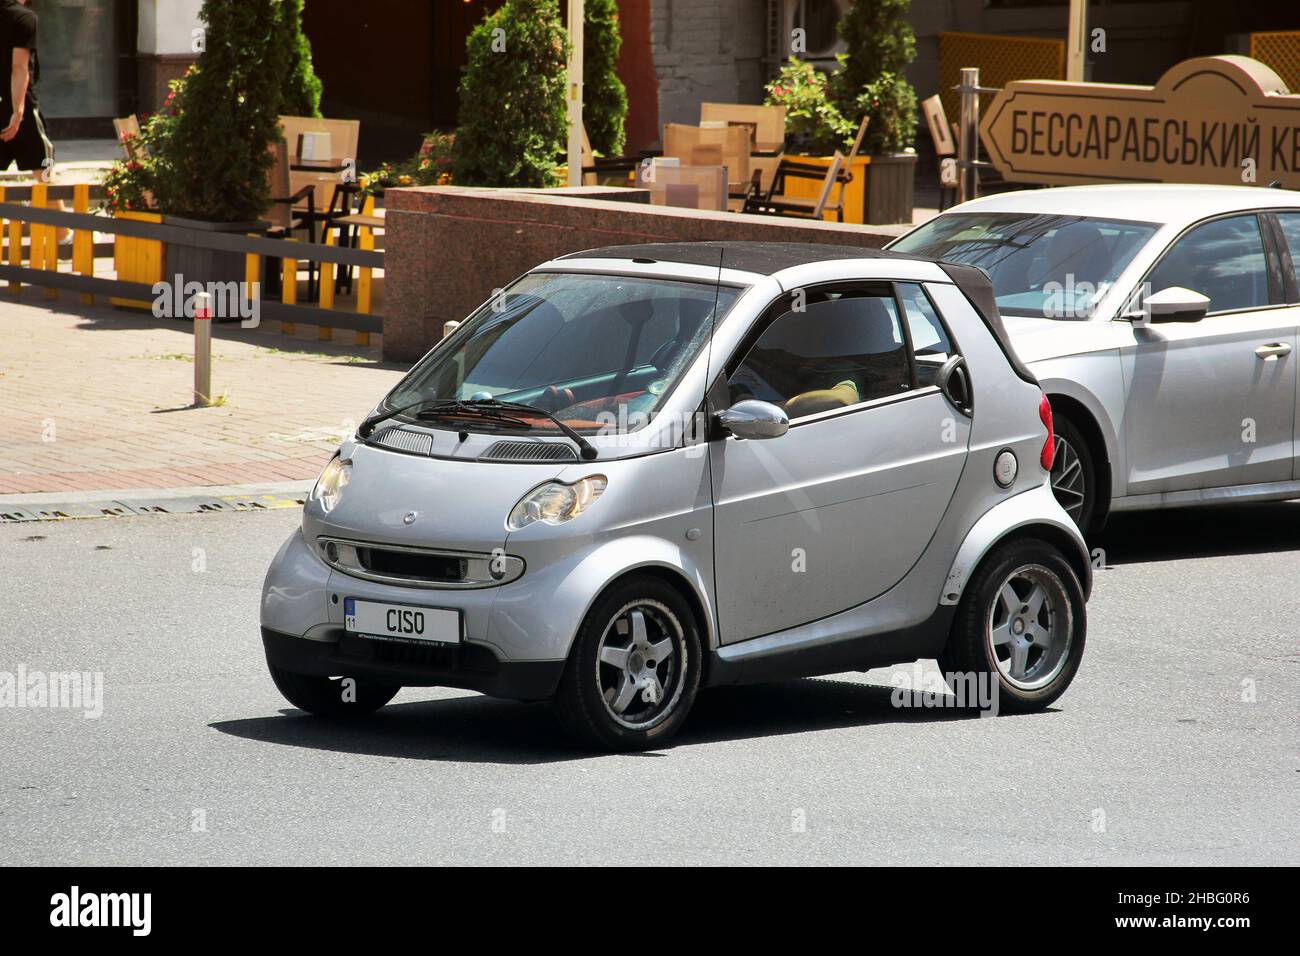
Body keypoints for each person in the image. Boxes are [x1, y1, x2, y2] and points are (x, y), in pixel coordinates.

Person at [0, 0, 62, 239]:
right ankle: (62, 233)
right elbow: (19, 67)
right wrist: (18, 110)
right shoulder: (23, 18)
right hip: (19, 105)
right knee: (44, 167)